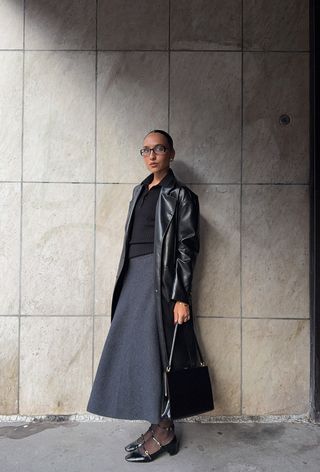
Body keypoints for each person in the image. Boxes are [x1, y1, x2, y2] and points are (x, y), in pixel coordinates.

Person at [86, 129, 200, 463]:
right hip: (133, 276)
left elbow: (186, 248)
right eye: (146, 150)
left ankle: (165, 431)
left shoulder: (181, 196)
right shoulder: (139, 190)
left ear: (171, 153)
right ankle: (156, 424)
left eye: (159, 149)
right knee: (140, 351)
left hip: (160, 281)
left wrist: (182, 296)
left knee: (158, 353)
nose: (152, 155)